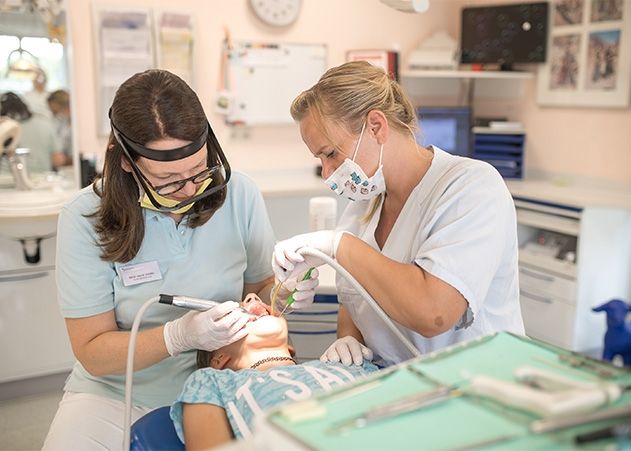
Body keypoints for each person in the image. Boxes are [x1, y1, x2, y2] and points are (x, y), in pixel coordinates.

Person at [42, 69, 317, 450]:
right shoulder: (83, 217)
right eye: (169, 180)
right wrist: (179, 336)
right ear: (125, 162)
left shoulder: (240, 195)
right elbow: (93, 352)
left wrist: (286, 291)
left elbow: (261, 289)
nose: (190, 189)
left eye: (198, 171)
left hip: (226, 386)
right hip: (114, 393)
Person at [272, 61, 524, 368]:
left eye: (330, 153)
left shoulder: (471, 187)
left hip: (475, 386)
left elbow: (435, 312)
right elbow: (354, 302)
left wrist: (340, 247)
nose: (327, 172)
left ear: (376, 126)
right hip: (395, 388)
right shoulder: (363, 205)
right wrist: (348, 339)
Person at [171, 293, 378, 448]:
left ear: (290, 347)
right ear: (218, 358)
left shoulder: (344, 360)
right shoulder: (210, 381)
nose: (252, 297)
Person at [0, 91, 63, 172]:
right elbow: (58, 160)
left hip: (6, 179)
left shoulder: (4, 127)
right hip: (42, 179)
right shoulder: (45, 124)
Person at [47, 89, 72, 166]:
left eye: (54, 110)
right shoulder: (61, 122)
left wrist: (61, 160)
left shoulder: (76, 125)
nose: (53, 113)